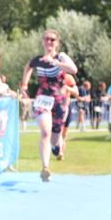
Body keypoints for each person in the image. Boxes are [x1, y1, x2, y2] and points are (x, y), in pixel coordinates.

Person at [20, 29, 77, 182]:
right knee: (45, 132)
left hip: (59, 100)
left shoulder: (61, 56)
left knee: (55, 137)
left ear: (57, 43)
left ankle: (57, 148)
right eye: (46, 39)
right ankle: (45, 168)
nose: (49, 42)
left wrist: (56, 63)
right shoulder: (37, 60)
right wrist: (24, 86)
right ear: (42, 42)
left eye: (52, 39)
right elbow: (28, 67)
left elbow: (74, 69)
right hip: (42, 98)